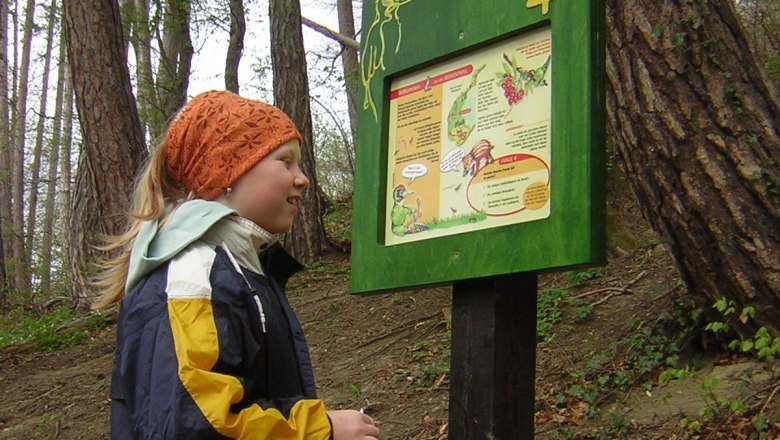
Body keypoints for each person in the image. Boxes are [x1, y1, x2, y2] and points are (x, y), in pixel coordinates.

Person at [93, 90, 380, 440]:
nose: (302, 178)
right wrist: (320, 429)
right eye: (285, 161)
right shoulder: (194, 276)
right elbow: (195, 424)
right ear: (227, 170)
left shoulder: (237, 268)